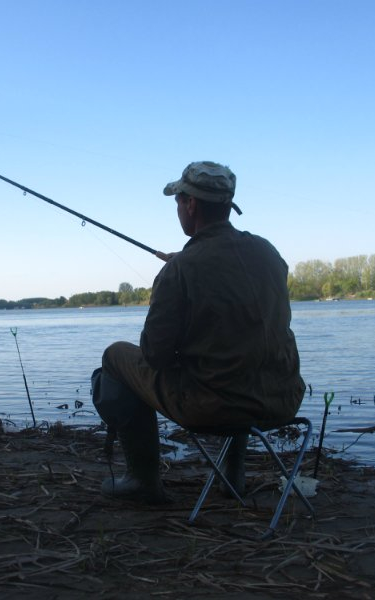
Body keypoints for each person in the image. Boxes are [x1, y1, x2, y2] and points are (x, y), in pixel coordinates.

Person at [91, 161, 305, 504]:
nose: (178, 208)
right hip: (283, 400)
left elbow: (155, 356)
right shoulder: (269, 253)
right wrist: (189, 264)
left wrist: (175, 274)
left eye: (178, 201)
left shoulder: (180, 270)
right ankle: (232, 476)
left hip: (214, 408)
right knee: (238, 357)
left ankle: (142, 480)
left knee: (115, 356)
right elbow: (238, 296)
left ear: (190, 204)